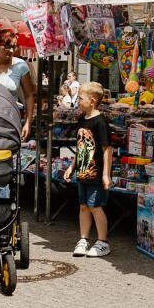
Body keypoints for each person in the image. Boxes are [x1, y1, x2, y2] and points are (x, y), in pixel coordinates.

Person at [65, 81, 112, 258]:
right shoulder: (82, 120)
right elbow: (81, 147)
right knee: (83, 206)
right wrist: (72, 166)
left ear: (92, 100)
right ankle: (83, 239)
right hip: (83, 172)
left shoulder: (100, 122)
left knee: (95, 206)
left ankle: (102, 241)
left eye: (81, 98)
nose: (78, 101)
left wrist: (106, 174)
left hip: (96, 173)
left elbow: (107, 148)